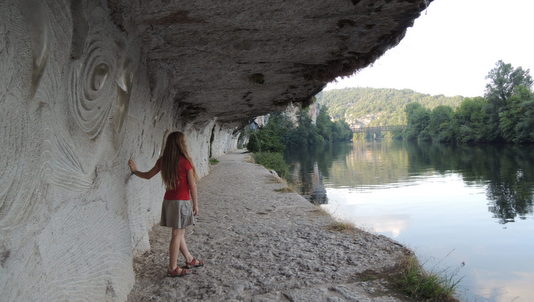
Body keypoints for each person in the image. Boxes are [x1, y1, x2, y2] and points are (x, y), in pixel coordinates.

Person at [128, 131, 204, 277]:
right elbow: (192, 185)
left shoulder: (163, 161)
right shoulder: (185, 162)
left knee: (179, 232)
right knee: (177, 234)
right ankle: (172, 268)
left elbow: (148, 175)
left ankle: (189, 259)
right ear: (181, 145)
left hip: (168, 201)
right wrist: (196, 204)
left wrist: (135, 171)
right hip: (181, 202)